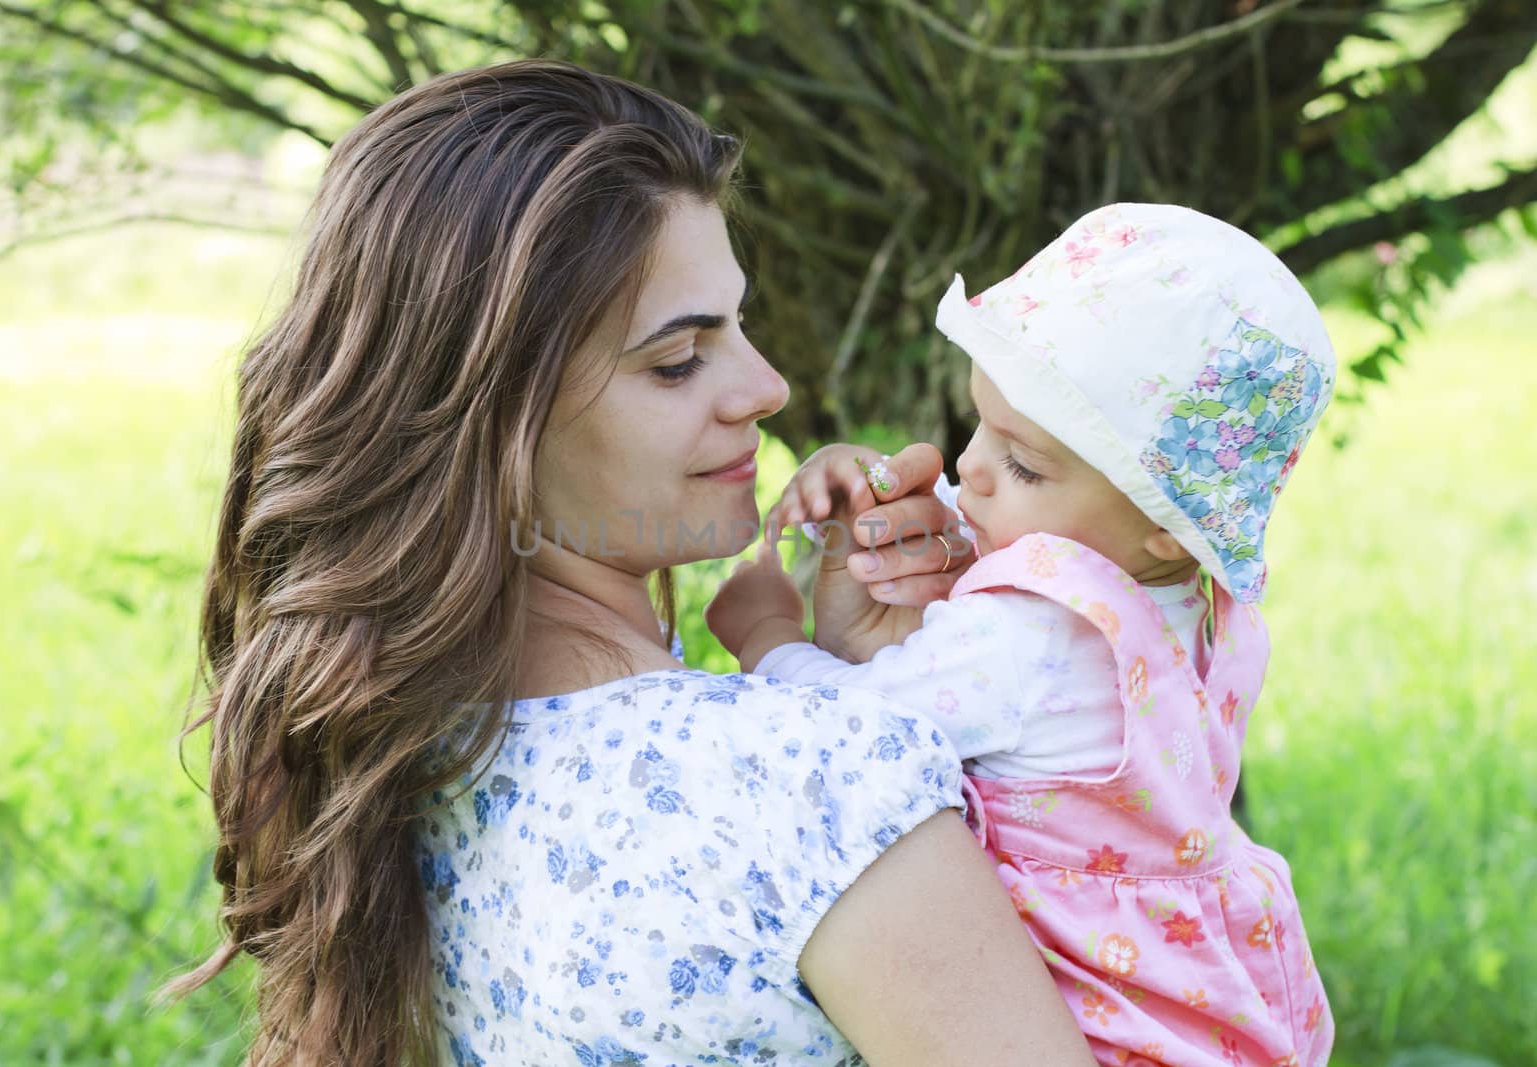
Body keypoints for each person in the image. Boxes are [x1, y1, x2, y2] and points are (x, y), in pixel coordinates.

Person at [168, 59, 1098, 1066]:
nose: (767, 386)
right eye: (676, 360)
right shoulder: (809, 783)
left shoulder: (386, 755)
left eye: (739, 325)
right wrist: (843, 713)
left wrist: (847, 667)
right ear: (486, 418)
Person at [709, 203, 1336, 1067]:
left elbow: (852, 735)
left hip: (1077, 1019)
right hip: (1195, 999)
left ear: (1167, 526)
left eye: (1024, 464)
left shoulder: (1032, 634)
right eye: (980, 426)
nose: (969, 467)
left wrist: (769, 637)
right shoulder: (1203, 610)